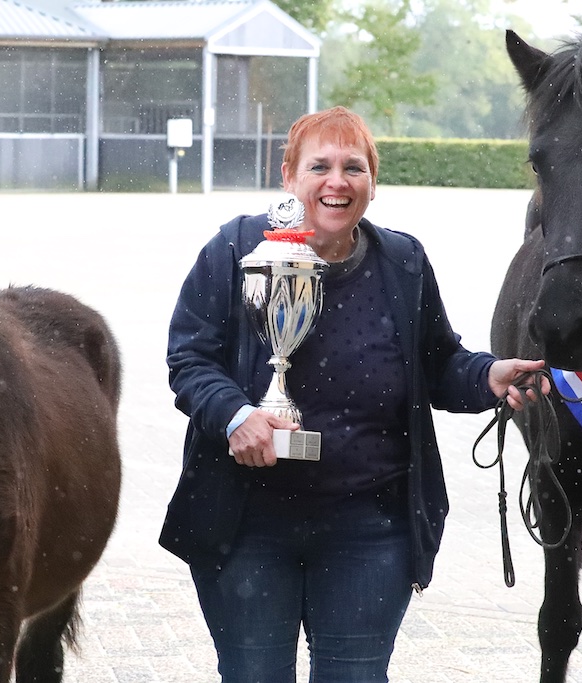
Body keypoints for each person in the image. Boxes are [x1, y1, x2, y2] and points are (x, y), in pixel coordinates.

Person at [160, 106, 547, 682]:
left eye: (354, 167)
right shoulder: (238, 248)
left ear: (373, 182)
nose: (337, 182)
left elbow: (437, 363)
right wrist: (236, 414)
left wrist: (485, 376)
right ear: (288, 175)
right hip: (247, 523)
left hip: (369, 528)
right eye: (320, 166)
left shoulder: (403, 261)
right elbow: (189, 356)